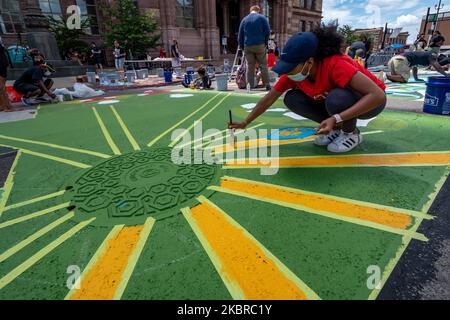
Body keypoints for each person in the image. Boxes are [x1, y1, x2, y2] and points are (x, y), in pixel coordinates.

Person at [229, 23, 387, 154]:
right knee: (292, 98)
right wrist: (245, 122)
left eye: (291, 68)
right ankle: (336, 130)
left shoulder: (335, 64)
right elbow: (269, 98)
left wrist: (335, 118)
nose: (287, 73)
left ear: (309, 62)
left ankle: (350, 133)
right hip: (344, 104)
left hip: (370, 103)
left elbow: (377, 95)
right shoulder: (295, 73)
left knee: (337, 98)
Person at [238, 5, 271, 91]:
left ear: (250, 10)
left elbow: (240, 35)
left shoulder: (244, 19)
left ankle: (249, 85)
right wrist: (265, 43)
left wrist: (242, 46)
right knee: (263, 65)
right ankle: (266, 84)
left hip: (247, 45)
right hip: (260, 44)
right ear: (258, 10)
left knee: (250, 66)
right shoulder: (262, 18)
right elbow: (267, 31)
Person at [0, 37, 20, 112]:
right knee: (2, 87)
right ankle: (8, 107)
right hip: (1, 64)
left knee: (2, 86)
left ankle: (3, 106)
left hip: (2, 64)